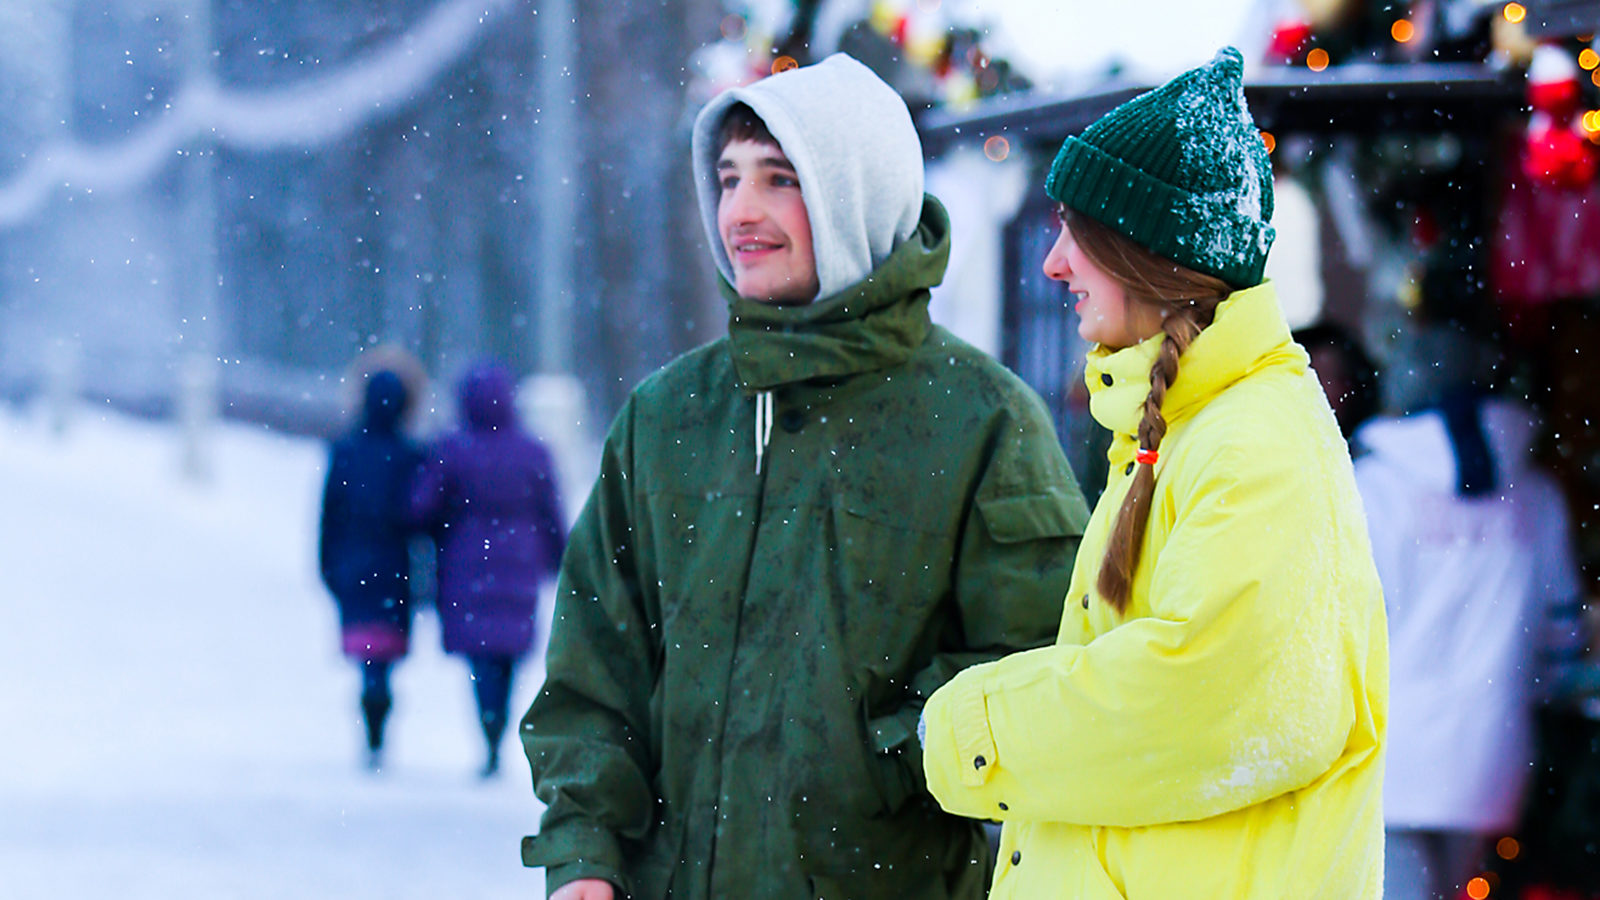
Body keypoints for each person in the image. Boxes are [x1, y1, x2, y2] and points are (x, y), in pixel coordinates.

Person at [520, 53, 1088, 900]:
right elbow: (593, 672)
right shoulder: (668, 416)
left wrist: (888, 753)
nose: (739, 211)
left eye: (779, 180)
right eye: (728, 179)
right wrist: (583, 854)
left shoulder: (984, 422)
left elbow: (1040, 668)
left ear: (856, 194)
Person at [920, 47, 1389, 899]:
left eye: (1078, 233)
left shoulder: (1254, 444)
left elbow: (1206, 699)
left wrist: (973, 729)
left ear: (1151, 255)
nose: (1053, 263)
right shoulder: (1181, 428)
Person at [1353, 377, 1584, 900]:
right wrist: (1540, 689)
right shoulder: (1537, 495)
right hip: (1490, 754)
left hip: (1388, 754)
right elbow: (1561, 630)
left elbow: (1341, 626)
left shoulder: (1371, 487)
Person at [410, 360, 566, 778]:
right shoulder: (532, 452)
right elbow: (551, 511)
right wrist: (559, 558)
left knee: (481, 656)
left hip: (467, 561)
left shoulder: (452, 449)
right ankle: (499, 726)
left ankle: (490, 728)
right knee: (508, 652)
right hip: (520, 561)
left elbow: (423, 508)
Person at [318, 364, 424, 771]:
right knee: (385, 649)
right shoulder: (410, 454)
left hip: (353, 563)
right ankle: (378, 714)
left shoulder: (346, 450)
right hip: (394, 565)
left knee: (368, 651)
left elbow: (329, 514)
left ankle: (372, 719)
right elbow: (421, 514)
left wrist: (328, 564)